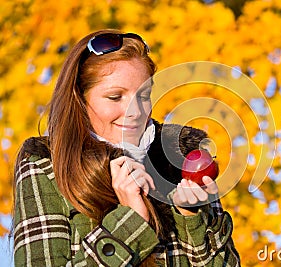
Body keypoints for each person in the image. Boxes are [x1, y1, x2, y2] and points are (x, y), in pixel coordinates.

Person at [12, 29, 240, 266]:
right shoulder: (47, 166)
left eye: (144, 95)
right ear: (80, 100)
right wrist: (130, 222)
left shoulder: (182, 160)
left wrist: (190, 218)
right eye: (115, 97)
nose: (135, 112)